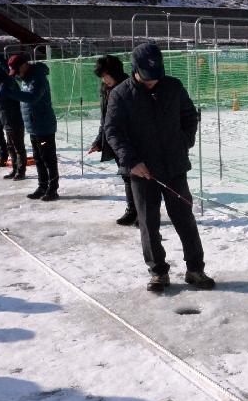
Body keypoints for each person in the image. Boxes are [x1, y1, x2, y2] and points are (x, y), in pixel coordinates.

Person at [104, 42, 215, 293]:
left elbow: (189, 116)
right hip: (142, 172)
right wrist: (132, 161)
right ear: (135, 69)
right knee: (148, 223)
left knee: (185, 219)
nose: (153, 81)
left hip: (173, 166)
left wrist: (183, 142)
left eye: (156, 76)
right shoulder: (120, 94)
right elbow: (113, 132)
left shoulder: (173, 86)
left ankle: (195, 269)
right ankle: (158, 272)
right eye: (147, 76)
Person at [0, 54, 59, 201]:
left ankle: (52, 189)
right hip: (33, 126)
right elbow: (8, 68)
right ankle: (42, 186)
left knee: (48, 159)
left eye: (17, 71)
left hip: (44, 126)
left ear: (24, 65)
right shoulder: (25, 76)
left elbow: (32, 97)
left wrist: (9, 93)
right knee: (37, 158)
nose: (16, 75)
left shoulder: (37, 78)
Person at [88, 55, 134, 226]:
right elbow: (105, 119)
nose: (103, 79)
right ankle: (133, 211)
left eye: (105, 75)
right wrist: (99, 141)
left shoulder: (129, 87)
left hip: (130, 139)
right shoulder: (105, 89)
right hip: (115, 140)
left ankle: (138, 212)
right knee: (127, 176)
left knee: (133, 176)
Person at [0, 65, 28, 181]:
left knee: (18, 146)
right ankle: (14, 169)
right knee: (10, 146)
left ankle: (21, 171)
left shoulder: (6, 82)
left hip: (14, 118)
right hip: (5, 120)